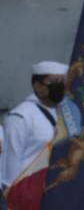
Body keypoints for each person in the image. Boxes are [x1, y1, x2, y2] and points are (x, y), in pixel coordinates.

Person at [0, 61, 67, 190]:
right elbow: (10, 164)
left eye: (62, 82)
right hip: (26, 192)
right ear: (37, 86)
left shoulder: (65, 113)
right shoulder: (21, 116)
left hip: (52, 189)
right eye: (54, 82)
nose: (59, 87)